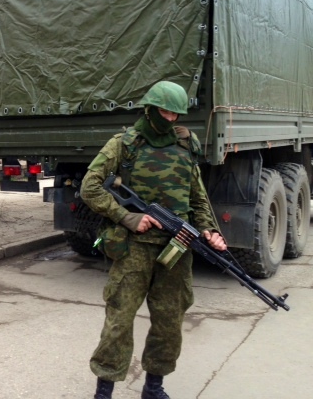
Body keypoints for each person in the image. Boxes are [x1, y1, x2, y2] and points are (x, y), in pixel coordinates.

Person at [80, 81, 227, 399]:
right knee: (119, 320)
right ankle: (104, 391)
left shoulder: (187, 144)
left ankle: (153, 387)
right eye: (165, 112)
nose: (171, 120)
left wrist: (209, 230)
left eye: (176, 114)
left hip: (177, 249)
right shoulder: (124, 143)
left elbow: (197, 196)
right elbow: (90, 187)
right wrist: (128, 217)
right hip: (133, 248)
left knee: (169, 323)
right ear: (149, 109)